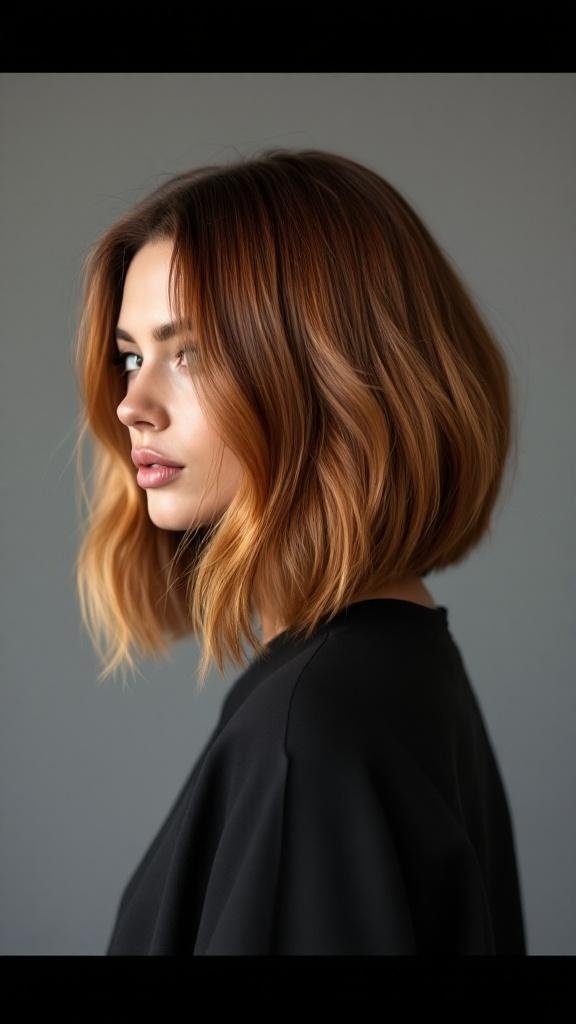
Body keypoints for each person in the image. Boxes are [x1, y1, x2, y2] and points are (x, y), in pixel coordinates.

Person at [72, 148, 526, 954]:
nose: (131, 403)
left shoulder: (313, 724)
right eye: (131, 355)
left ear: (332, 370)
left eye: (192, 352)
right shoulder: (398, 673)